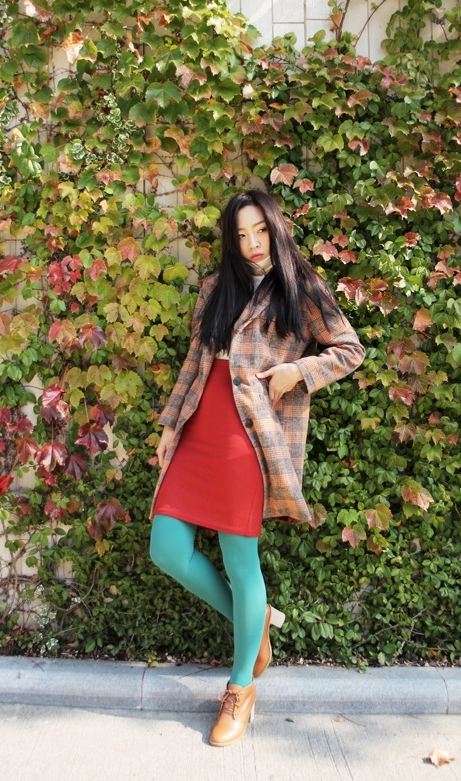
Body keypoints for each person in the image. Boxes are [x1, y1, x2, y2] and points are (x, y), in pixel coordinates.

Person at [149, 188, 365, 746]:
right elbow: (196, 361)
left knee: (240, 560)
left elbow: (349, 348)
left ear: (275, 227)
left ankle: (241, 687)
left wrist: (299, 372)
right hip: (200, 424)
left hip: (248, 434)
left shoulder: (300, 284)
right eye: (241, 234)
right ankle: (255, 619)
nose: (252, 244)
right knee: (166, 548)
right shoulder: (216, 287)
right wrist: (170, 426)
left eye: (260, 231)